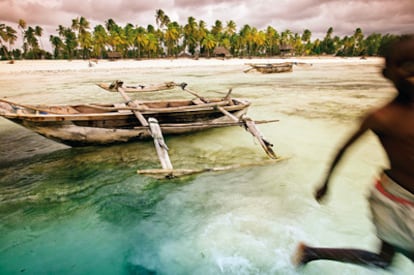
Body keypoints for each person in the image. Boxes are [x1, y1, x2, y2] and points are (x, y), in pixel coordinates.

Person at [293, 35, 414, 268]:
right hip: (393, 201)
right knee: (384, 260)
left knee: (383, 261)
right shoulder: (382, 117)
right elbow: (344, 147)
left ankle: (310, 253)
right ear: (387, 74)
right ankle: (309, 253)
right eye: (406, 66)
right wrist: (326, 183)